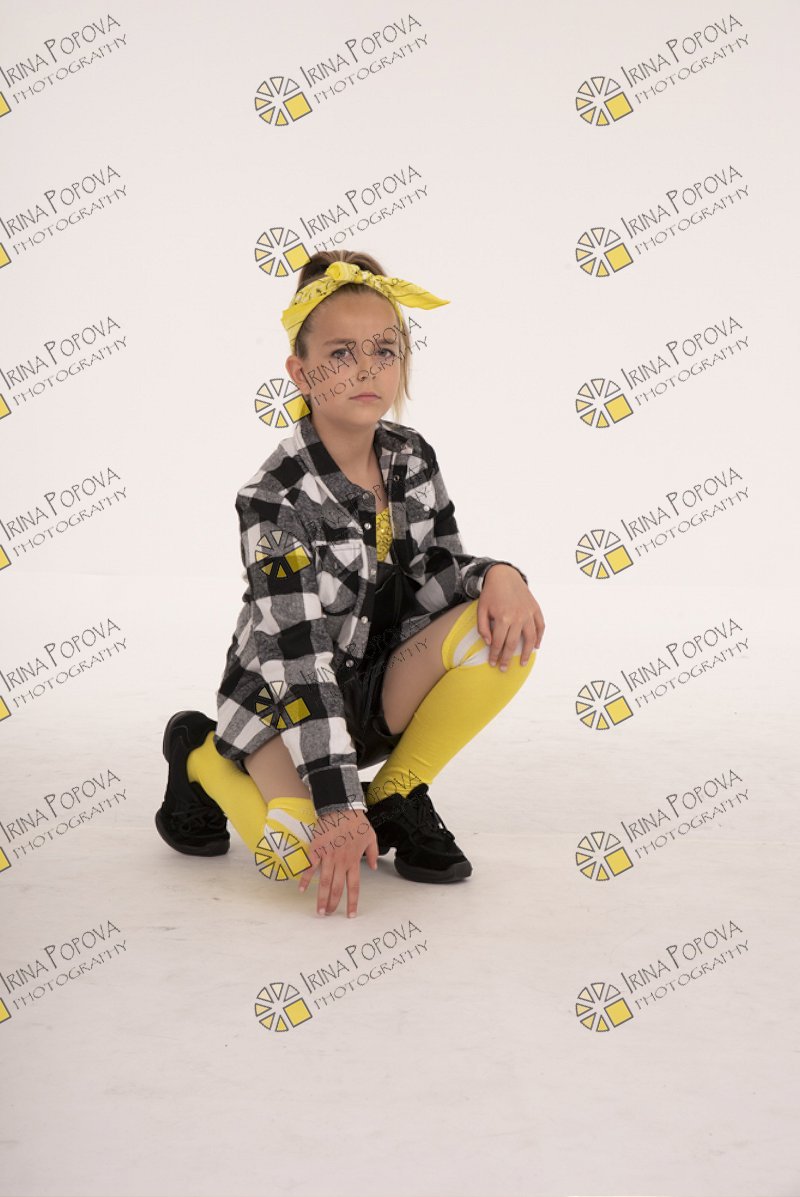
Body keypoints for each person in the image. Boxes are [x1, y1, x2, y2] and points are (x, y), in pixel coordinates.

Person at [155, 250, 545, 918]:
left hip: (375, 678)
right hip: (285, 700)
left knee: (504, 628)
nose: (366, 370)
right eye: (340, 354)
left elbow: (437, 575)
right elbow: (299, 659)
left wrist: (500, 576)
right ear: (300, 372)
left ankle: (395, 794)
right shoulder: (273, 499)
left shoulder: (411, 456)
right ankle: (200, 754)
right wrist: (336, 806)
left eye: (383, 351)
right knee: (292, 860)